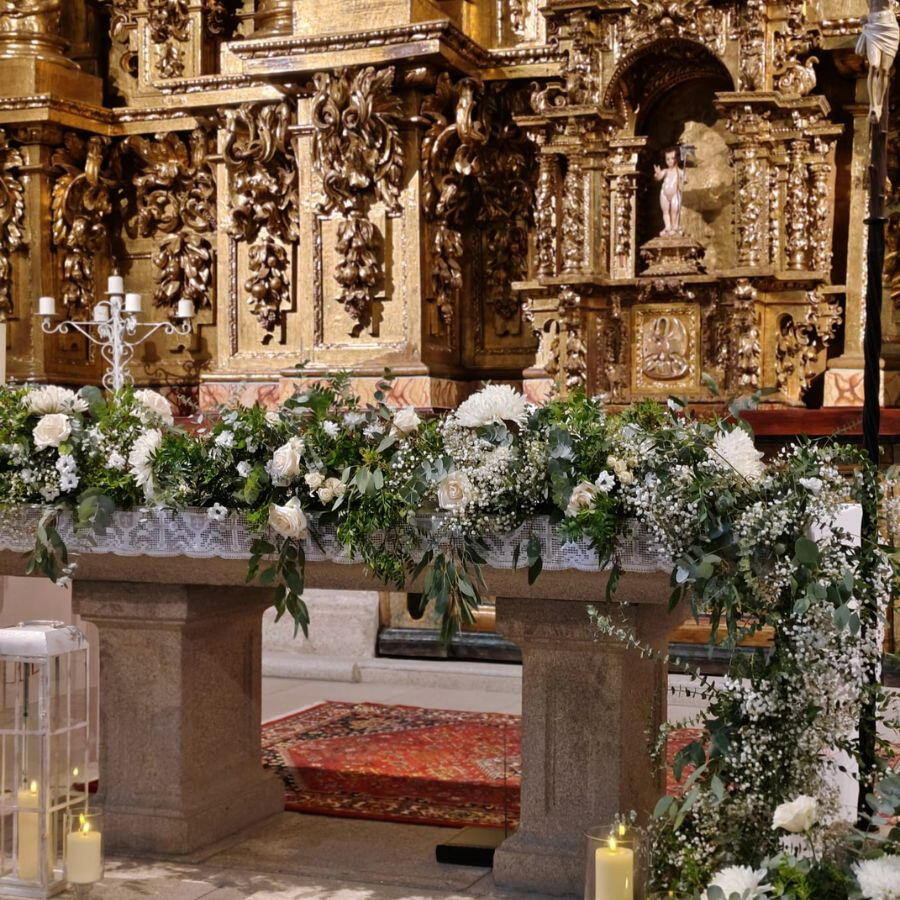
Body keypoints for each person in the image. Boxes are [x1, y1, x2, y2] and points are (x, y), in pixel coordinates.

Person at [856, 0, 900, 123]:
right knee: (874, 65)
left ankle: (879, 104)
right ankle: (873, 104)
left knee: (885, 70)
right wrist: (862, 16)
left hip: (889, 27)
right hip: (873, 26)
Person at [653, 148, 684, 236]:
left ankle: (675, 226)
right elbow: (658, 178)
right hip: (664, 194)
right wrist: (657, 174)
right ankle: (667, 226)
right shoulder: (665, 171)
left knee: (675, 210)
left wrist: (684, 179)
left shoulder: (679, 171)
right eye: (667, 159)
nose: (670, 161)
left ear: (677, 159)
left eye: (672, 158)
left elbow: (685, 178)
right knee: (665, 211)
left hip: (675, 193)